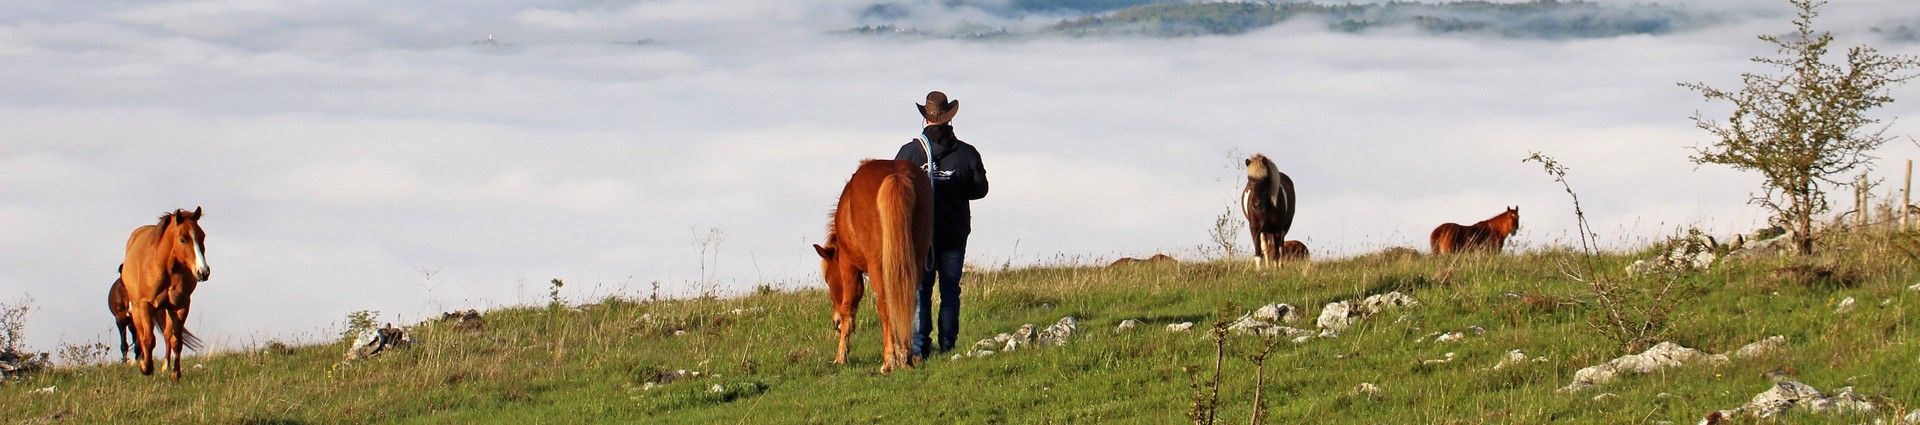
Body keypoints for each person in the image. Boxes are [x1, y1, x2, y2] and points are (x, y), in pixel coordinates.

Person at [895, 91, 988, 359]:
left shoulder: (909, 152)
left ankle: (919, 348)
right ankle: (948, 345)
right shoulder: (967, 154)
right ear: (949, 118)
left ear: (926, 117)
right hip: (954, 234)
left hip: (920, 238)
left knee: (921, 290)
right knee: (950, 291)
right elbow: (981, 189)